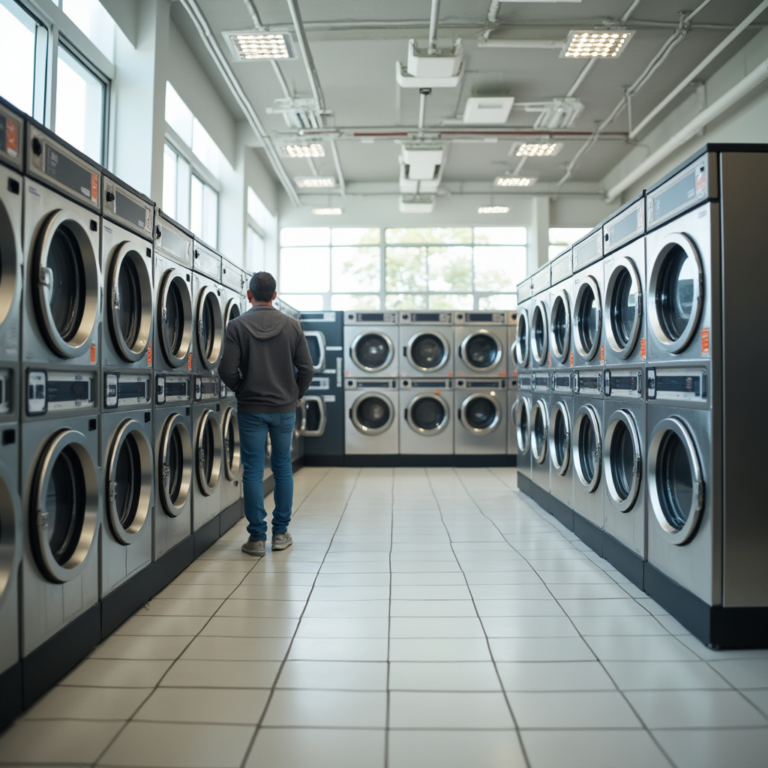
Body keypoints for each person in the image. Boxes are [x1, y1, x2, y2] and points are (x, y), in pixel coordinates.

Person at [219, 271, 314, 556]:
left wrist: (243, 389)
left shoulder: (236, 326)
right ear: (274, 295)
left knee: (253, 470)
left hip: (252, 409)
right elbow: (307, 369)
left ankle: (257, 539)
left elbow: (226, 370)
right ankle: (281, 533)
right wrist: (295, 396)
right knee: (282, 467)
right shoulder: (292, 326)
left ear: (249, 295)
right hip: (284, 409)